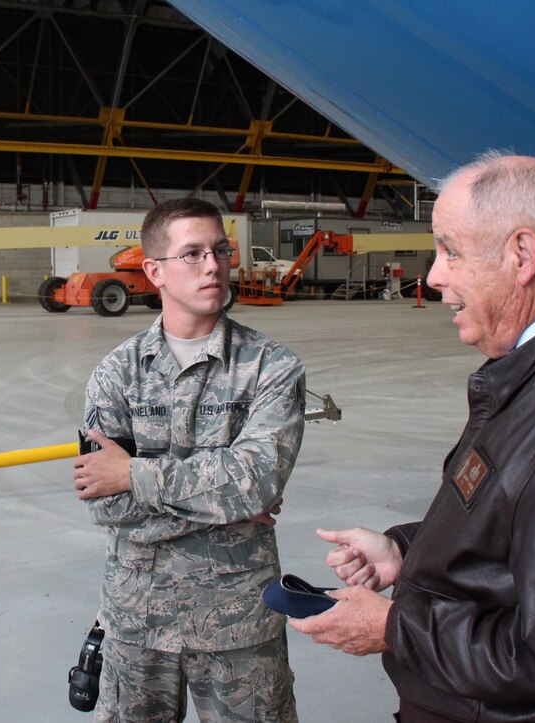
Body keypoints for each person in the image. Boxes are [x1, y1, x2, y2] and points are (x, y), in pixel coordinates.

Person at [289, 151, 535, 722]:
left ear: (522, 255)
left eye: (451, 250)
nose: (433, 275)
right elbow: (518, 519)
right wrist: (409, 549)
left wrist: (393, 625)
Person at [72, 198, 306, 721]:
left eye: (221, 250)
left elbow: (257, 482)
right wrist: (229, 504)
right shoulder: (116, 374)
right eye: (193, 253)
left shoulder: (273, 368)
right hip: (138, 622)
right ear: (154, 270)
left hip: (239, 621)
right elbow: (103, 505)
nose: (213, 265)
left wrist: (133, 473)